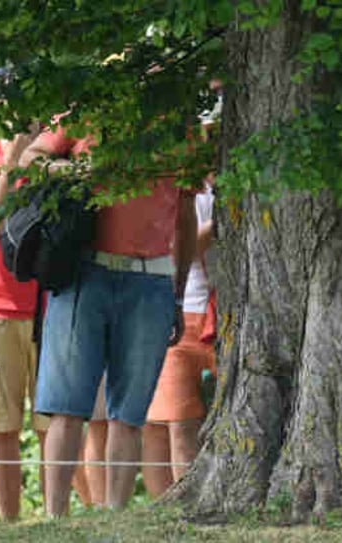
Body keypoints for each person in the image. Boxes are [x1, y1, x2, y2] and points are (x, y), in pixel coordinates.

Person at [35, 129, 198, 515]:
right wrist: (73, 170)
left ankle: (115, 517)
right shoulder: (91, 108)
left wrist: (178, 293)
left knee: (130, 412)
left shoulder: (182, 127)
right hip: (83, 273)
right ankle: (54, 518)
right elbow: (30, 159)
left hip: (151, 278)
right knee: (67, 406)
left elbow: (186, 216)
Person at [141, 180, 215, 497]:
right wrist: (219, 222)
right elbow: (176, 250)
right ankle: (177, 507)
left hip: (223, 317)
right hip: (180, 315)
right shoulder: (169, 187)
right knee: (177, 422)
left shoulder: (236, 185)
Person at [0, 129, 46, 521]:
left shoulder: (54, 148)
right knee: (2, 428)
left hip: (51, 307)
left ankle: (60, 522)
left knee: (55, 426)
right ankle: (11, 528)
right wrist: (11, 160)